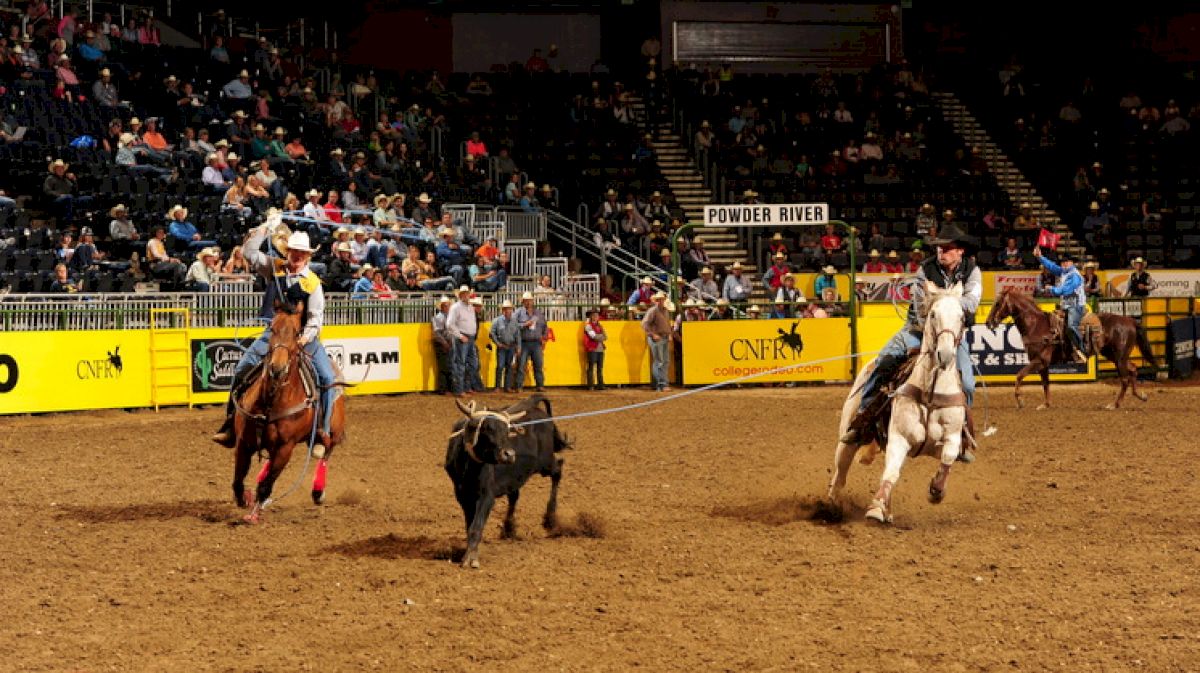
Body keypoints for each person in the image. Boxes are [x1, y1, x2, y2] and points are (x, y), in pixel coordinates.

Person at [840, 223, 981, 461]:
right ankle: (863, 417)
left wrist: (942, 299)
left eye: (947, 248)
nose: (941, 252)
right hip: (917, 331)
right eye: (939, 248)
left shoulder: (972, 271)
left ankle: (961, 433)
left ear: (960, 251)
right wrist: (950, 300)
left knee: (967, 383)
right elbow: (921, 307)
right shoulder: (925, 269)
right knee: (884, 361)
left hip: (951, 338)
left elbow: (972, 303)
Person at [211, 224, 337, 454]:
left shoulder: (313, 284)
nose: (297, 256)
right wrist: (264, 229)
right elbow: (249, 253)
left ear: (308, 256)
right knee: (242, 368)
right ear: (287, 252)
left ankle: (322, 431)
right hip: (274, 334)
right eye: (293, 251)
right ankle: (230, 423)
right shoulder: (275, 268)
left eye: (301, 252)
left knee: (327, 377)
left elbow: (315, 320)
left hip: (303, 338)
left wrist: (301, 341)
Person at [1033, 247, 1087, 363]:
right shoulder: (1064, 272)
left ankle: (1083, 348)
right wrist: (1039, 257)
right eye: (1063, 262)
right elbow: (1051, 266)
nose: (1064, 264)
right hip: (1067, 306)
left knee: (1072, 326)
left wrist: (1052, 289)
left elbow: (1066, 290)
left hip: (1076, 305)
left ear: (1072, 263)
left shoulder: (1074, 275)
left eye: (1066, 262)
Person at [445, 285, 478, 397]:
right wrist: (460, 336)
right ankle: (459, 390)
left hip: (470, 338)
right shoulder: (455, 307)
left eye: (467, 293)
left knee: (472, 364)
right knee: (461, 364)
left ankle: (466, 386)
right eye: (463, 293)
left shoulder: (470, 307)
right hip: (462, 338)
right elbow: (449, 324)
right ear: (460, 295)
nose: (466, 295)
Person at [514, 292, 547, 392]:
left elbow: (545, 326)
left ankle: (540, 385)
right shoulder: (518, 312)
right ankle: (519, 386)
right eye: (526, 301)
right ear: (523, 302)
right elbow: (514, 325)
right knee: (521, 365)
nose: (528, 302)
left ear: (533, 301)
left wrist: (544, 338)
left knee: (538, 365)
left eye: (530, 300)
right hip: (523, 342)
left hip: (536, 342)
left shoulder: (538, 313)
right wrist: (524, 324)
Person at [642, 291, 672, 392]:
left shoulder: (665, 311)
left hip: (664, 337)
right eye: (658, 300)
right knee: (660, 362)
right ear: (656, 301)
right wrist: (653, 334)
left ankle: (659, 384)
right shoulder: (653, 311)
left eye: (662, 299)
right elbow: (644, 324)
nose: (660, 301)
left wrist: (669, 334)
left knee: (664, 361)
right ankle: (662, 384)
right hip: (657, 337)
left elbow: (667, 324)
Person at [489, 299, 520, 393]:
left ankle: (507, 387)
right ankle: (497, 386)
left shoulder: (515, 322)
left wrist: (518, 347)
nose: (508, 311)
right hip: (502, 347)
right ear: (503, 310)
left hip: (511, 346)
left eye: (510, 309)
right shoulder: (497, 321)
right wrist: (498, 343)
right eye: (506, 309)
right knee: (500, 366)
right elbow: (492, 333)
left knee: (509, 367)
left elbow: (518, 335)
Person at [431, 296, 453, 394]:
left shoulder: (449, 317)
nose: (447, 307)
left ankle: (447, 388)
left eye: (448, 305)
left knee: (449, 366)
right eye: (445, 305)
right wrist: (444, 343)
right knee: (444, 367)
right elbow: (437, 333)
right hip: (442, 344)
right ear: (442, 307)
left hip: (448, 343)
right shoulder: (438, 317)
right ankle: (443, 389)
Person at [583, 308, 607, 390]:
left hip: (599, 349)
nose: (596, 317)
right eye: (594, 315)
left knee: (599, 368)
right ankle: (591, 385)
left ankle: (600, 384)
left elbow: (604, 336)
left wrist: (599, 336)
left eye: (596, 315)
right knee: (591, 367)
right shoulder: (588, 326)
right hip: (592, 349)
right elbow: (594, 337)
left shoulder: (598, 325)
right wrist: (601, 336)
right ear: (590, 316)